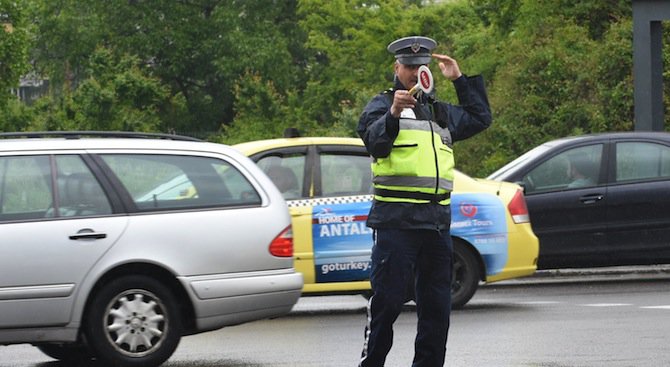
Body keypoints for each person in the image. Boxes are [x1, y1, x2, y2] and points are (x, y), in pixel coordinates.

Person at [356, 36, 492, 367]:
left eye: (422, 67)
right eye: (410, 66)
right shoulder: (381, 105)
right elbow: (374, 142)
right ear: (397, 68)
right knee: (387, 304)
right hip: (396, 223)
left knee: (436, 309)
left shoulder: (438, 111)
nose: (416, 72)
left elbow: (479, 117)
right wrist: (392, 113)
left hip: (436, 224)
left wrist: (459, 79)